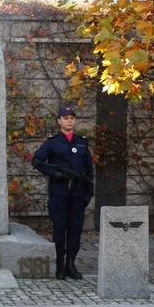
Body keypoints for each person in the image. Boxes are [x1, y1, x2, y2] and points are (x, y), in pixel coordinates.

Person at [32, 107, 94, 280]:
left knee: (75, 230)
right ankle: (59, 266)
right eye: (65, 118)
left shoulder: (82, 142)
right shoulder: (52, 142)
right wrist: (54, 174)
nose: (69, 121)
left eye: (72, 118)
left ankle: (70, 265)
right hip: (59, 193)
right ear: (59, 121)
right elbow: (37, 161)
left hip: (78, 194)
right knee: (59, 230)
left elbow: (89, 169)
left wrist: (90, 191)